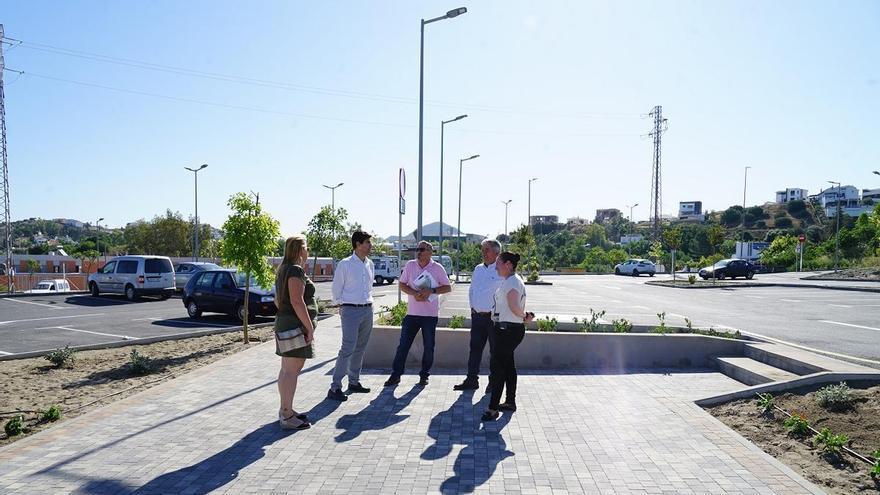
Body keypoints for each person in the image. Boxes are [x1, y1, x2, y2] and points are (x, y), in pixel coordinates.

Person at [384, 241, 452, 387]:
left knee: (429, 347)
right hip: (412, 314)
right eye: (417, 249)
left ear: (430, 252)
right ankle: (395, 375)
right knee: (403, 346)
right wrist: (414, 293)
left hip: (430, 316)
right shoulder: (410, 265)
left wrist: (431, 291)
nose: (418, 252)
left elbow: (447, 288)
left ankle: (424, 375)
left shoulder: (437, 267)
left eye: (422, 249)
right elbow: (402, 284)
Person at [482, 252, 534, 422]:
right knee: (508, 366)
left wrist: (524, 315)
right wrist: (524, 316)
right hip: (508, 329)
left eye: (499, 263)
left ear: (509, 264)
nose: (496, 266)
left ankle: (492, 408)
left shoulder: (512, 282)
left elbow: (513, 306)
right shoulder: (511, 281)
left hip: (508, 330)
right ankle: (510, 401)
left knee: (499, 369)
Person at [274, 235, 316, 430]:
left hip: (285, 323)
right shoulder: (296, 270)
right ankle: (287, 415)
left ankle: (285, 410)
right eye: (306, 248)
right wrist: (308, 327)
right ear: (300, 251)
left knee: (286, 370)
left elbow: (277, 300)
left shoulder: (282, 269)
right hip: (294, 327)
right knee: (292, 372)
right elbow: (297, 301)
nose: (308, 251)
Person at [327, 230, 375, 401]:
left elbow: (369, 287)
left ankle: (354, 382)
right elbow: (336, 289)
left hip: (367, 309)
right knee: (347, 348)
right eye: (367, 242)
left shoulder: (370, 264)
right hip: (350, 311)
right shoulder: (345, 264)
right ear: (358, 244)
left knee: (360, 348)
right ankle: (335, 387)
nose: (370, 245)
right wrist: (342, 306)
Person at [453, 239, 504, 392]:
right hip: (477, 317)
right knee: (475, 349)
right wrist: (473, 309)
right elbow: (472, 290)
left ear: (496, 252)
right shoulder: (478, 269)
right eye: (482, 249)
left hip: (494, 319)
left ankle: (493, 382)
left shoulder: (501, 270)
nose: (483, 252)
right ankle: (471, 380)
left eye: (487, 249)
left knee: (495, 352)